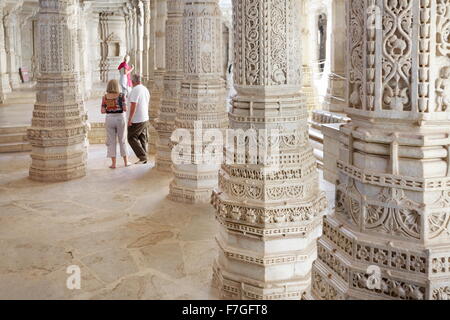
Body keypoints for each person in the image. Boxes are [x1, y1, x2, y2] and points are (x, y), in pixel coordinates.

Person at [101, 79, 130, 169]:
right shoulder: (121, 96)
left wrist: (109, 107)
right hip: (120, 118)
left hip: (109, 118)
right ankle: (126, 162)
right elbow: (125, 109)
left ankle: (113, 164)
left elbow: (102, 111)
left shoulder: (105, 97)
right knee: (122, 140)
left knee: (111, 141)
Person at [128, 74, 150, 165]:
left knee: (131, 137)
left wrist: (130, 119)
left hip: (137, 119)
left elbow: (134, 105)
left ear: (133, 81)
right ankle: (144, 158)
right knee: (142, 137)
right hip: (145, 117)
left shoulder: (135, 90)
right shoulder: (145, 89)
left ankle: (142, 156)